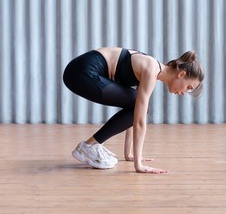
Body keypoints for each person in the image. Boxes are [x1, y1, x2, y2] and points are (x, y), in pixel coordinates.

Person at [62, 47, 205, 173]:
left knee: (135, 104)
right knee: (142, 107)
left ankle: (91, 145)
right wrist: (139, 165)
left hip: (79, 71)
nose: (184, 92)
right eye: (188, 87)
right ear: (181, 75)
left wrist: (129, 154)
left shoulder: (151, 68)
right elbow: (140, 122)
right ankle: (89, 146)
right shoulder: (150, 69)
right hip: (81, 72)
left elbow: (134, 111)